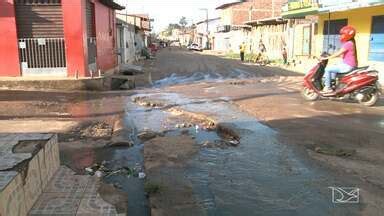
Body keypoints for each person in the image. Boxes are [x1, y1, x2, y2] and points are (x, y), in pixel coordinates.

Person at [321, 25, 358, 93]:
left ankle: (328, 88)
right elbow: (341, 55)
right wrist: (331, 56)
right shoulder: (350, 43)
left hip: (347, 66)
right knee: (333, 68)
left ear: (348, 35)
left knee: (327, 69)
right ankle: (333, 85)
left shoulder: (348, 44)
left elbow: (338, 53)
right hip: (347, 64)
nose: (341, 36)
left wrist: (326, 57)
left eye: (343, 34)